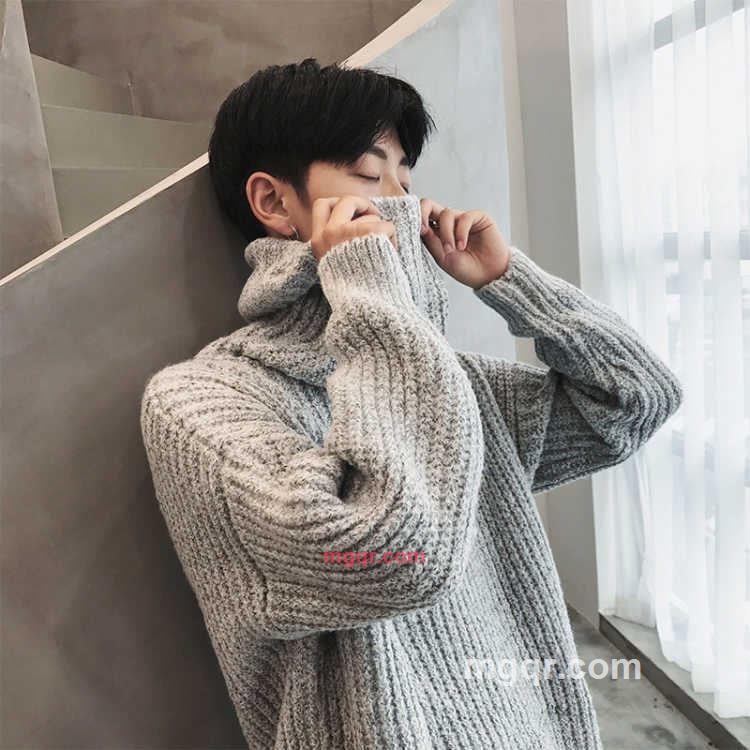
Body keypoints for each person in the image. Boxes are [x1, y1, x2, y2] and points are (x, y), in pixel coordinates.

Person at [139, 58, 683, 749]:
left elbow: (637, 399)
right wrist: (370, 290)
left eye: (407, 178)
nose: (407, 203)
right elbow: (398, 556)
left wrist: (510, 279)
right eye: (371, 177)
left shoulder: (451, 384)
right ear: (273, 203)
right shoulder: (199, 407)